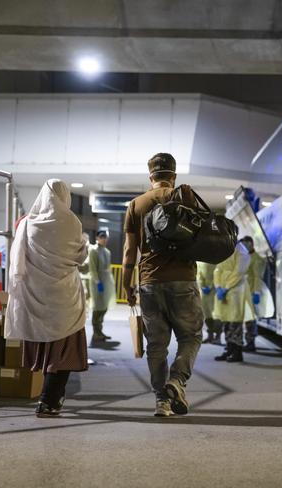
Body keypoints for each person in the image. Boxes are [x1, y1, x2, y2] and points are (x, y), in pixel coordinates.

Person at [122, 152, 204, 417]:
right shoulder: (185, 198)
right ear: (173, 176)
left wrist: (126, 285)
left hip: (149, 282)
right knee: (190, 336)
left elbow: (128, 251)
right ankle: (176, 381)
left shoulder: (136, 204)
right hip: (183, 280)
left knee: (156, 345)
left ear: (151, 177)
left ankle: (162, 401)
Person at [5, 179, 89, 417]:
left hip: (36, 295)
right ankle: (50, 400)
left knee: (46, 346)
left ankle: (47, 399)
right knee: (64, 350)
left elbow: (18, 260)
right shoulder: (72, 222)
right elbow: (79, 257)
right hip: (65, 297)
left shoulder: (28, 224)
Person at [213, 240, 250, 363]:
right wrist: (218, 286)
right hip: (223, 289)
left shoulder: (241, 251)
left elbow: (238, 272)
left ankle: (237, 351)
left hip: (236, 290)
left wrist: (226, 287)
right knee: (226, 321)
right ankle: (229, 349)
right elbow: (217, 269)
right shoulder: (225, 248)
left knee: (235, 321)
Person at [88, 230, 116, 342]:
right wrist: (97, 282)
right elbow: (92, 268)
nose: (104, 239)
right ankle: (96, 332)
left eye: (105, 237)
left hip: (106, 281)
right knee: (97, 307)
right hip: (97, 282)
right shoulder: (93, 250)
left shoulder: (107, 252)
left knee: (104, 306)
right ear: (97, 238)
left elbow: (107, 268)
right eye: (101, 237)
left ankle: (100, 331)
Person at [240, 236, 266, 352]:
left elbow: (257, 277)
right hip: (244, 291)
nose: (243, 247)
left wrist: (256, 292)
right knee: (246, 318)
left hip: (251, 291)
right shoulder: (246, 257)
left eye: (245, 244)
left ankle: (251, 343)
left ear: (251, 243)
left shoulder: (256, 259)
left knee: (250, 319)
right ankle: (248, 341)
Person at [197, 262, 221, 344]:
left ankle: (218, 337)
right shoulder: (199, 261)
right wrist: (202, 285)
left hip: (215, 289)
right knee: (206, 313)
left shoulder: (216, 260)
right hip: (204, 292)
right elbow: (198, 274)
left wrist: (211, 286)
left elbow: (218, 274)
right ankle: (210, 335)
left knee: (216, 314)